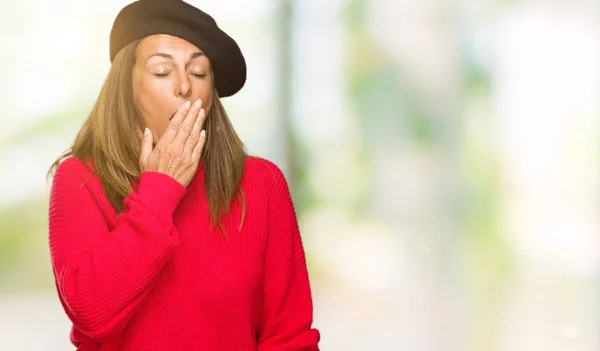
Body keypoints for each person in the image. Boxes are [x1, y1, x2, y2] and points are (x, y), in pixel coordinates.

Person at [47, 1, 320, 350]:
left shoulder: (261, 183)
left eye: (199, 73)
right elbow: (90, 314)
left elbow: (290, 338)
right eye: (162, 71)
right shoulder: (79, 179)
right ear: (125, 85)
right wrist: (160, 191)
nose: (184, 87)